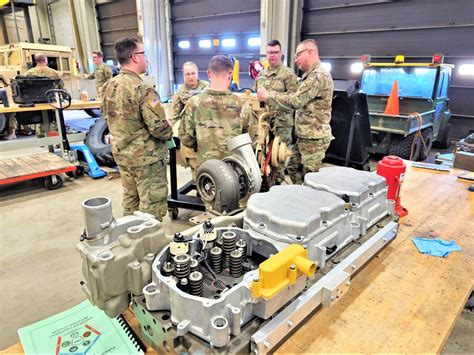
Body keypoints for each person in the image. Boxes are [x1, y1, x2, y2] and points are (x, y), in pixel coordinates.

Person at [101, 37, 173, 221]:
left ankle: (129, 239)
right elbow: (159, 129)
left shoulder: (109, 86)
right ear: (134, 57)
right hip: (146, 160)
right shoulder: (143, 89)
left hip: (123, 156)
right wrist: (169, 126)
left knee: (130, 202)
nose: (146, 58)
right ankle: (146, 246)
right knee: (151, 208)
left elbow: (108, 116)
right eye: (144, 54)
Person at [257, 39, 334, 184]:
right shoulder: (309, 76)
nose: (295, 59)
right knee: (292, 166)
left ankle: (309, 201)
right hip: (306, 135)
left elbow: (296, 101)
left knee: (312, 178)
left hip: (314, 137)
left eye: (298, 55)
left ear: (310, 52)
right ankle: (301, 194)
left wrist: (269, 96)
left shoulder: (318, 75)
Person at [179, 55, 253, 169]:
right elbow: (249, 138)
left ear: (209, 73)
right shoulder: (242, 104)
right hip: (233, 170)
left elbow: (186, 138)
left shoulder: (193, 103)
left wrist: (203, 145)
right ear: (230, 74)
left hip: (206, 172)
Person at [254, 39, 298, 184]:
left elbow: (294, 100)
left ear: (281, 54)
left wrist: (270, 97)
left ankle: (276, 190)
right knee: (262, 157)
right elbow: (256, 98)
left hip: (282, 124)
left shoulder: (288, 74)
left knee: (278, 160)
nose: (272, 56)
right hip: (264, 125)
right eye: (269, 53)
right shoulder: (261, 75)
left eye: (275, 52)